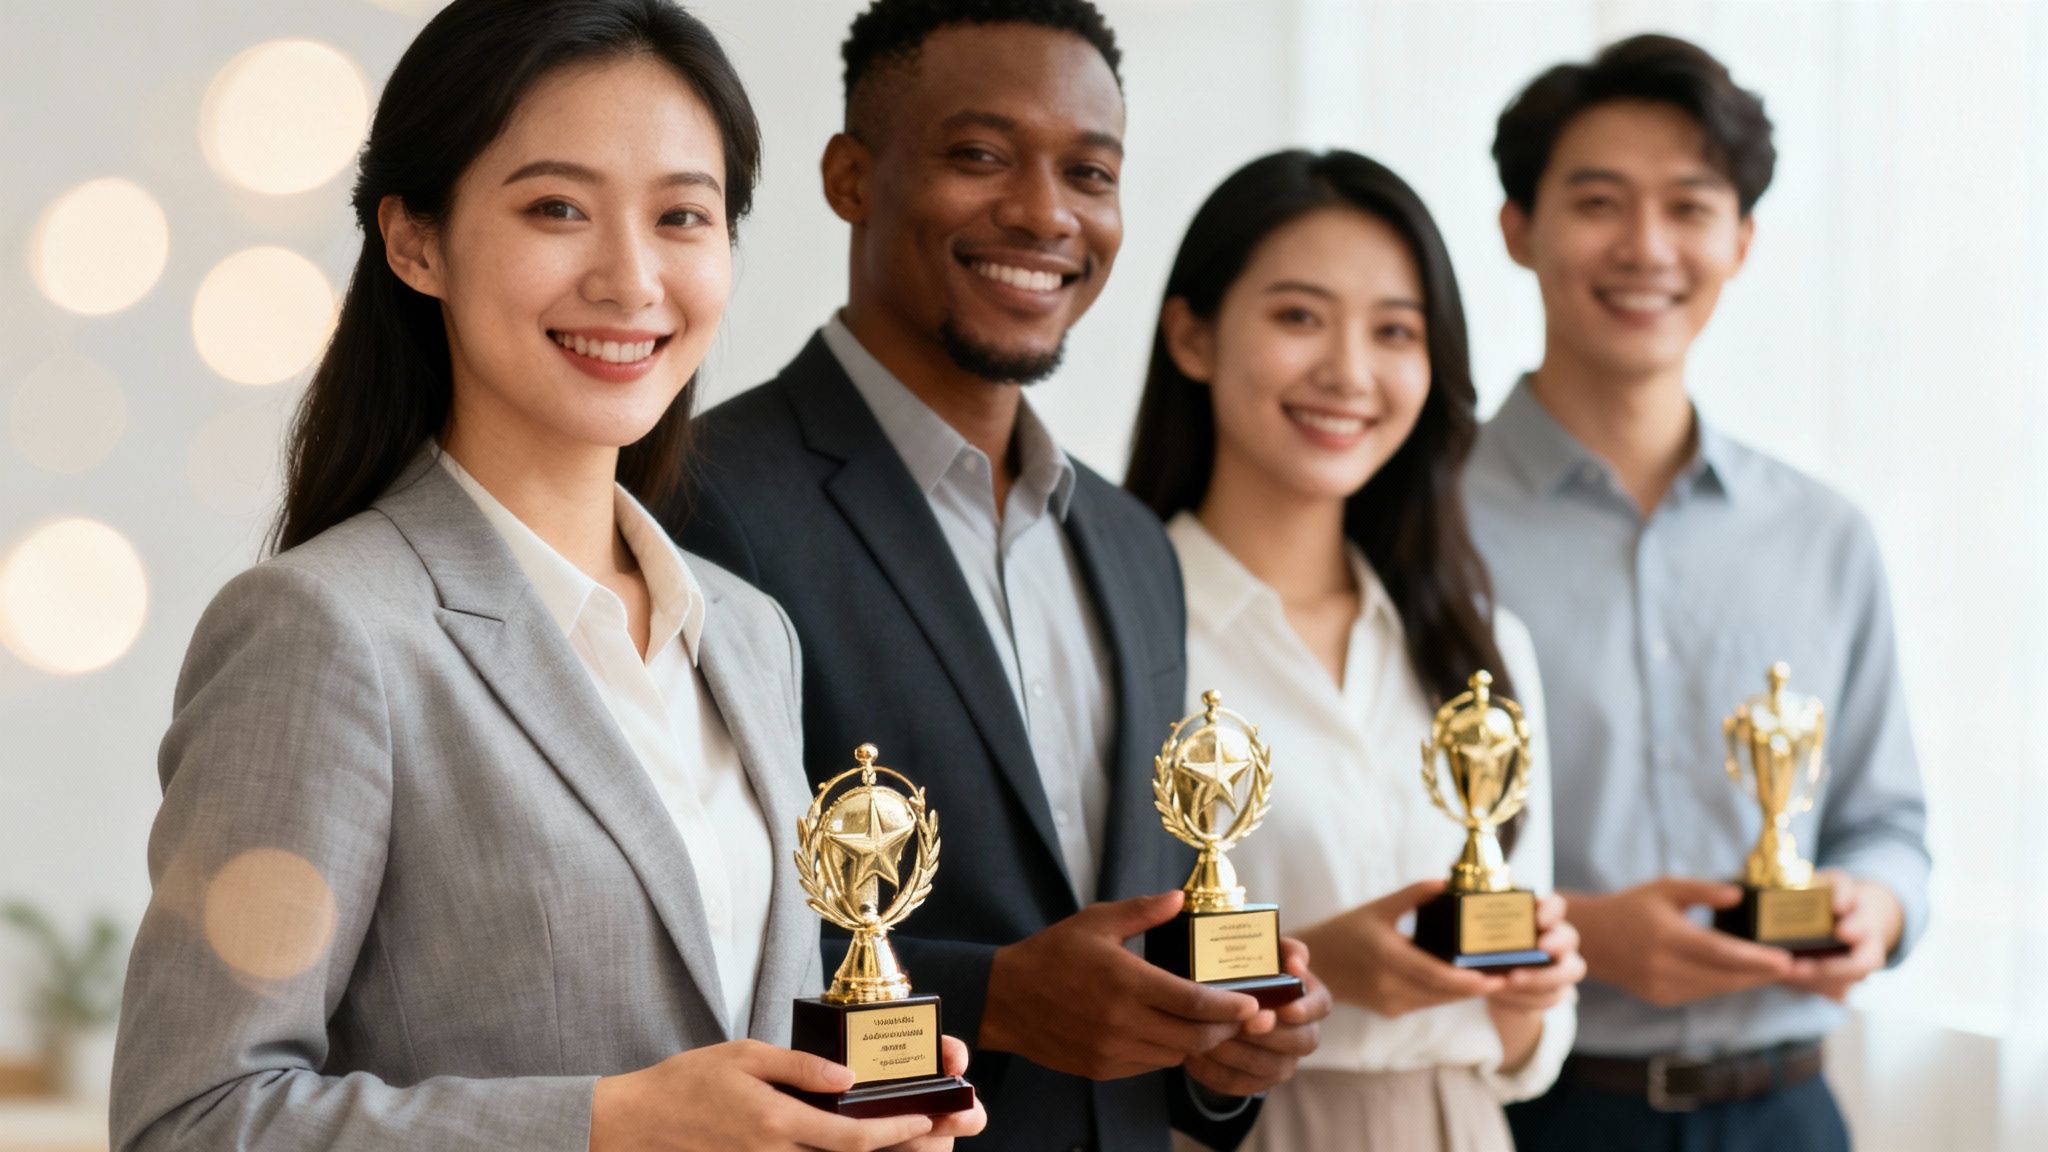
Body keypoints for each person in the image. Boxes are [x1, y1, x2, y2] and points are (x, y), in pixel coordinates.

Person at [110, 2, 985, 1149]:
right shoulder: (324, 631)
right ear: (415, 241)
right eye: (557, 209)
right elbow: (190, 1120)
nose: (630, 279)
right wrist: (609, 1124)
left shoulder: (745, 632)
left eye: (681, 215)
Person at [666, 2, 1329, 1149]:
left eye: (1089, 173)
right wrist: (992, 1001)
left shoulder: (1132, 544)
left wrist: (1221, 1049)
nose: (1043, 213)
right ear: (850, 178)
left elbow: (1145, 926)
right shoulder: (701, 499)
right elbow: (676, 935)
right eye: (979, 155)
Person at [1465, 34, 1931, 1152]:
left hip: (1789, 1112)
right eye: (1598, 202)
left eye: (1689, 206)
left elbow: (1887, 827)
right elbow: (1364, 861)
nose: (1646, 247)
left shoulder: (1823, 533)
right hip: (1532, 1113)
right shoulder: (1417, 527)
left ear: (1741, 241)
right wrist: (1579, 934)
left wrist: (1873, 908)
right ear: (1518, 228)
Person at [1125, 149, 1586, 1152]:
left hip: (1459, 1125)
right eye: (1299, 317)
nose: (1348, 372)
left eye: (1394, 331)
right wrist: (1317, 967)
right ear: (1192, 335)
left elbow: (1530, 1049)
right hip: (1231, 1132)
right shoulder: (1115, 629)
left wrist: (1529, 985)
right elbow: (1083, 980)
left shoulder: (1479, 642)